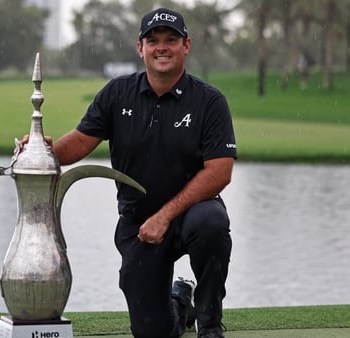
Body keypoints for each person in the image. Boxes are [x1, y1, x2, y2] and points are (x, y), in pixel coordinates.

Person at [20, 7, 236, 338]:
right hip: (138, 226)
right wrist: (42, 150)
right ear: (141, 48)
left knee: (211, 224)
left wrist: (165, 216)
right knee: (153, 332)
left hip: (192, 214)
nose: (162, 47)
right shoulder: (118, 94)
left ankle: (209, 325)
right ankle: (181, 301)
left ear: (186, 46)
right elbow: (80, 142)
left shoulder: (209, 101)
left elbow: (219, 172)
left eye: (171, 40)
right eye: (153, 41)